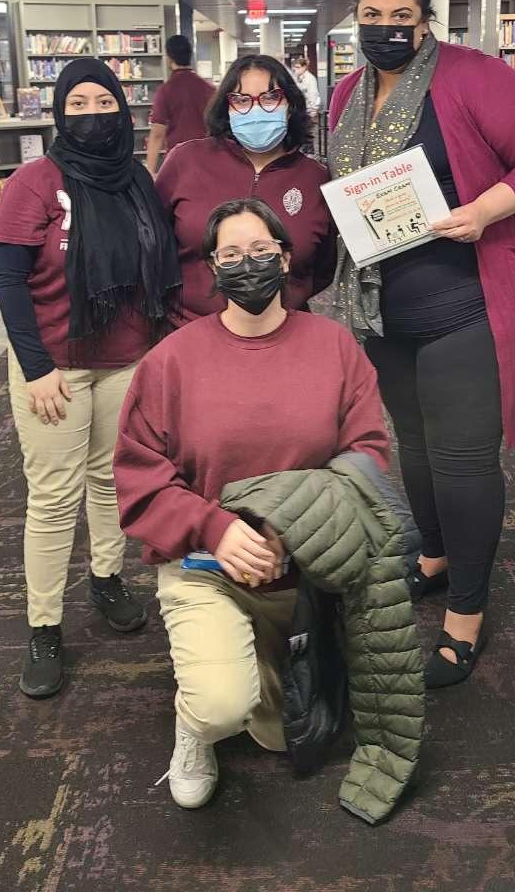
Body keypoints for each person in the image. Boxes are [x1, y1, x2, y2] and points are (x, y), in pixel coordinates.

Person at [324, 0, 515, 690]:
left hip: (467, 304)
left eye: (400, 18)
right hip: (383, 312)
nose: (385, 30)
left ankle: (466, 612)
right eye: (371, 16)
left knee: (464, 462)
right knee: (416, 447)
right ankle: (433, 557)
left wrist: (486, 208)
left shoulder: (475, 78)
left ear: (425, 19)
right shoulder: (347, 94)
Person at [113, 198, 390, 809]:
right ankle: (194, 723)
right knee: (220, 709)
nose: (248, 264)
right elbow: (138, 477)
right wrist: (213, 529)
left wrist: (297, 527)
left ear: (286, 258)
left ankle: (245, 664)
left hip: (307, 569)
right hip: (204, 567)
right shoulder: (171, 360)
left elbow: (367, 454)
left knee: (280, 735)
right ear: (212, 268)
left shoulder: (335, 346)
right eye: (231, 255)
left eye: (262, 250)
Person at [0, 58, 180, 699]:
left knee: (108, 480)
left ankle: (105, 578)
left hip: (125, 359)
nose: (93, 114)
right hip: (55, 368)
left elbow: (155, 266)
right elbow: (9, 279)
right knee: (52, 498)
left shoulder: (137, 179)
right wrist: (37, 368)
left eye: (104, 102)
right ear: (60, 113)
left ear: (122, 109)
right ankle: (43, 626)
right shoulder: (35, 182)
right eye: (78, 104)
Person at [155, 54, 336, 325]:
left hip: (282, 331)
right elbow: (154, 244)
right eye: (241, 100)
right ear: (226, 108)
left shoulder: (315, 178)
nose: (256, 110)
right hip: (189, 328)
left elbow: (324, 266)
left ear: (290, 105)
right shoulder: (186, 161)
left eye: (270, 97)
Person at [146, 33, 213, 174]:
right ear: (190, 55)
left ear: (169, 58)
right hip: (207, 159)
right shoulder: (209, 89)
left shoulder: (165, 90)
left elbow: (157, 134)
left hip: (178, 161)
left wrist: (150, 171)